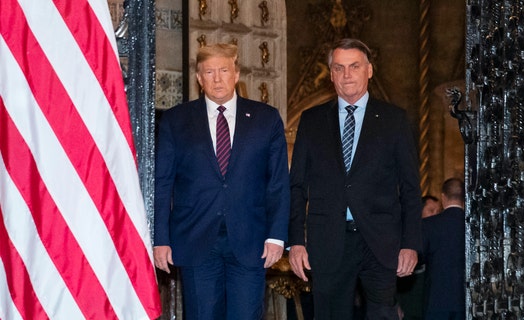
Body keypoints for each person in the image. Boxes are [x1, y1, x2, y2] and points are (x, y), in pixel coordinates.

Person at [288, 38, 423, 320]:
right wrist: (296, 242)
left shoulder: (394, 120)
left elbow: (410, 188)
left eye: (354, 66)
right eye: (339, 68)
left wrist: (410, 244)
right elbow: (297, 186)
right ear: (331, 73)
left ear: (369, 70)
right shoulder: (312, 121)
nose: (347, 74)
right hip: (328, 241)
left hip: (381, 241)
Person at [153, 43, 290, 319]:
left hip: (251, 243)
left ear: (236, 74)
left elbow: (277, 183)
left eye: (224, 70)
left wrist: (276, 236)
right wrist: (160, 239)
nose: (217, 78)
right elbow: (162, 183)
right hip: (195, 240)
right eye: (209, 72)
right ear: (199, 78)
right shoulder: (176, 120)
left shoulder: (266, 119)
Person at [422, 178, 465, 320]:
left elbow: (419, 256)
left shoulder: (429, 224)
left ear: (443, 197)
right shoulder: (475, 224)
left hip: (437, 300)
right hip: (466, 300)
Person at [397, 195, 441, 319]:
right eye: (431, 211)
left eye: (438, 211)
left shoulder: (439, 237)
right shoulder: (407, 236)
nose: (435, 215)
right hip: (407, 302)